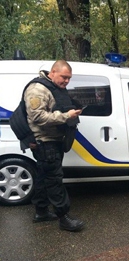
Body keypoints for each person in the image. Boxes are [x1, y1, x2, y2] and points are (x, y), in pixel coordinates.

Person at [24, 60, 85, 231]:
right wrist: (66, 116)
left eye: (69, 78)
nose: (66, 81)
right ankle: (63, 217)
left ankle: (41, 212)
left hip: (53, 140)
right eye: (64, 77)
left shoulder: (54, 88)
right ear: (52, 72)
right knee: (54, 179)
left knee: (44, 177)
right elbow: (38, 117)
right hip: (45, 142)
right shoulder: (38, 89)